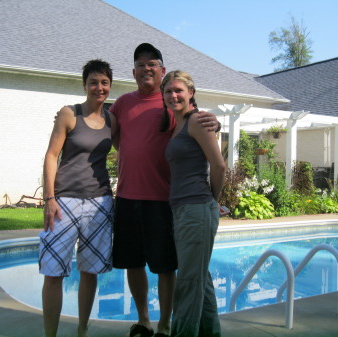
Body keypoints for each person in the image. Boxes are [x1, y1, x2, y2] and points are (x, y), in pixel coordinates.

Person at [110, 43, 220, 337]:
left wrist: (215, 123)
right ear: (133, 72)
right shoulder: (121, 104)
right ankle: (144, 320)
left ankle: (165, 325)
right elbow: (109, 135)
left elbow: (198, 124)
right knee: (132, 263)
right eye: (141, 64)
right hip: (127, 196)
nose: (147, 68)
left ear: (161, 70)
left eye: (153, 64)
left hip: (163, 199)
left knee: (165, 266)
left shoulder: (172, 104)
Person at [39, 59, 116, 337]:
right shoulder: (69, 114)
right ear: (84, 85)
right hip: (64, 201)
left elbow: (132, 148)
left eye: (104, 82)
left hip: (100, 203)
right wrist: (50, 198)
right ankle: (51, 334)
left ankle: (82, 329)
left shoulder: (112, 120)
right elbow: (51, 155)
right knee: (53, 271)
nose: (99, 87)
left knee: (90, 271)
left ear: (110, 86)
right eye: (93, 82)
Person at [161, 70, 226, 337]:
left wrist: (213, 200)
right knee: (200, 279)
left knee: (188, 283)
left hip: (197, 209)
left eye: (179, 90)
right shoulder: (177, 125)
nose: (174, 95)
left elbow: (219, 165)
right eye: (168, 91)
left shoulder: (196, 121)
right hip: (184, 210)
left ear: (191, 93)